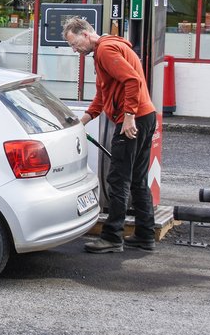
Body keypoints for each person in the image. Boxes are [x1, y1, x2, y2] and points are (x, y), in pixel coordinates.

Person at [63, 16, 157, 253]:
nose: (75, 50)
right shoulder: (107, 49)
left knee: (118, 179)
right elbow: (103, 94)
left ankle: (113, 237)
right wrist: (83, 120)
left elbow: (132, 81)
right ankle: (146, 235)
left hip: (134, 120)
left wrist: (128, 115)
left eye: (75, 44)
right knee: (137, 179)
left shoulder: (105, 50)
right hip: (146, 116)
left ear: (86, 34)